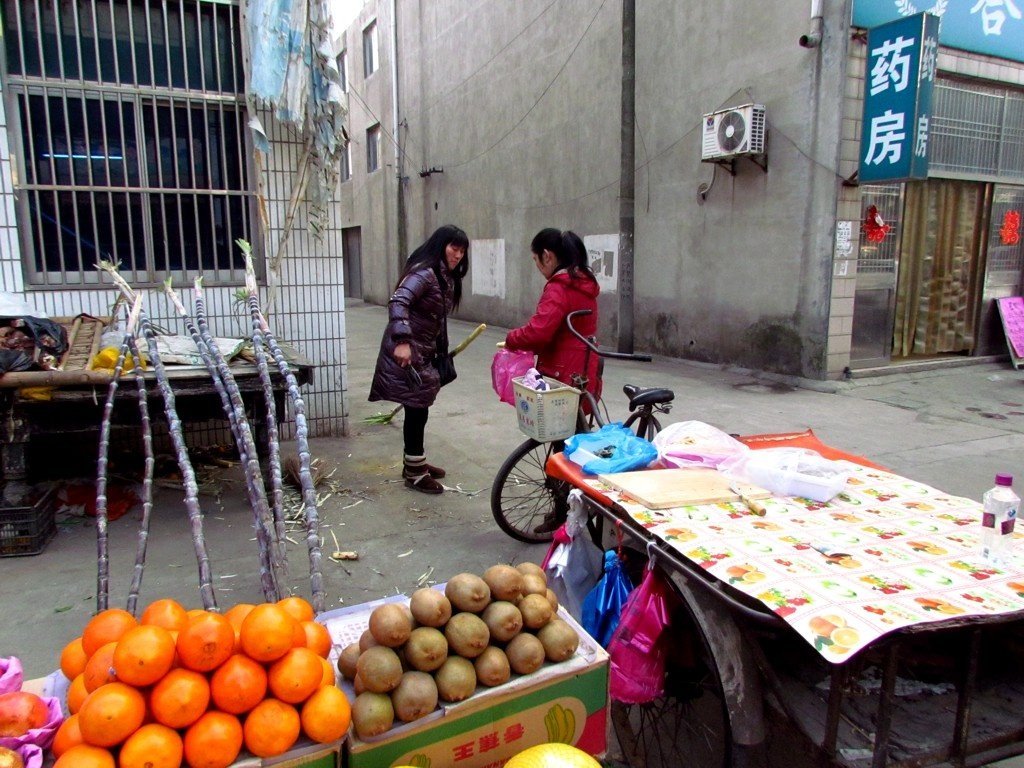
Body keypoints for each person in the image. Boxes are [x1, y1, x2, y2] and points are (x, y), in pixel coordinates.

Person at [369, 225, 469, 494]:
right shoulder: (425, 273)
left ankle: (415, 462)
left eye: (462, 251)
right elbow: (398, 301)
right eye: (454, 248)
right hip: (407, 351)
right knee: (416, 408)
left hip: (422, 351)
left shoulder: (443, 276)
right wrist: (402, 341)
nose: (458, 255)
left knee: (419, 407)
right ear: (440, 245)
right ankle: (414, 472)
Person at [503, 227, 601, 402]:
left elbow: (539, 331)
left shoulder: (559, 288)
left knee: (555, 425)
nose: (537, 266)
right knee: (576, 424)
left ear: (547, 256)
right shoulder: (586, 284)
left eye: (536, 259)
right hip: (585, 370)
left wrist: (512, 339)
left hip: (561, 374)